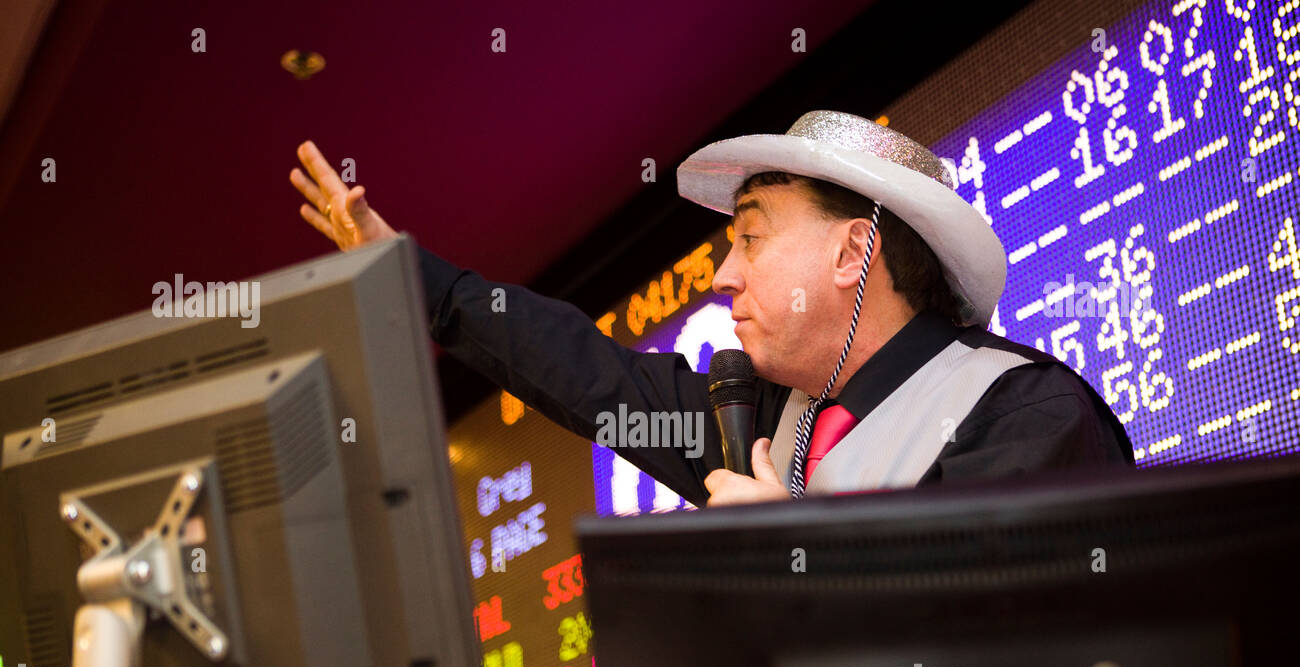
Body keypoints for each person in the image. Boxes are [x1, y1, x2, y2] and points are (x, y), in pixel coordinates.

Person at [289, 110, 1133, 507]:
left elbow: (1011, 659)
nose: (723, 276)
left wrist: (798, 558)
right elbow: (585, 372)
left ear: (853, 253)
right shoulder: (760, 424)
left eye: (752, 238)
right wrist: (411, 280)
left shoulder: (1026, 414)